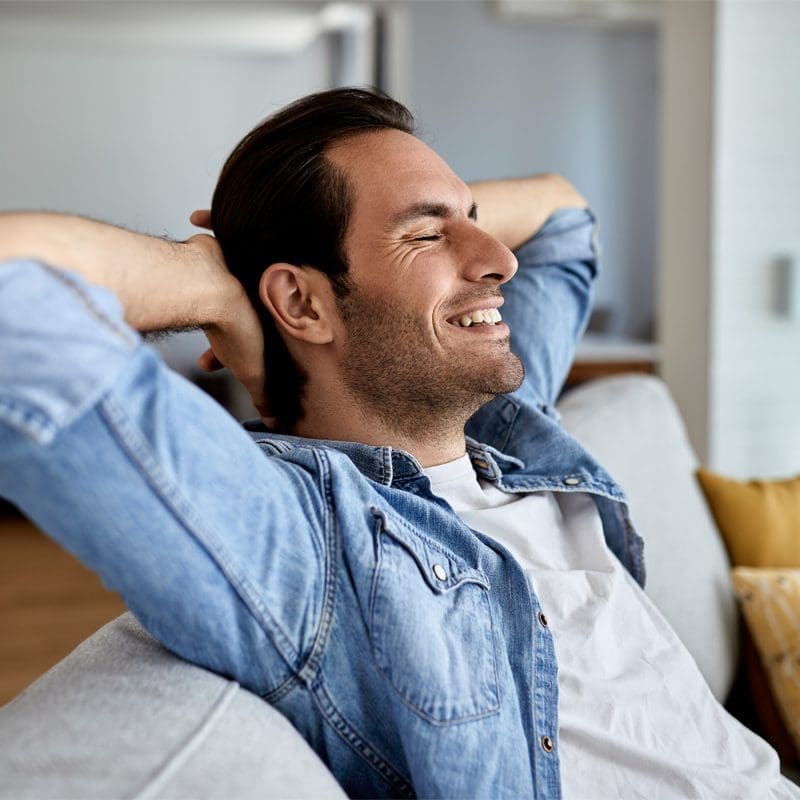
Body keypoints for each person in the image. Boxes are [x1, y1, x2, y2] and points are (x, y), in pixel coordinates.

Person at [0, 87, 795, 799]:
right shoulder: (305, 545)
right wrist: (210, 281)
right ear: (302, 302)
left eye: (474, 223)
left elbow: (561, 216)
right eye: (426, 235)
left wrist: (418, 228)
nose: (499, 261)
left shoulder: (508, 426)